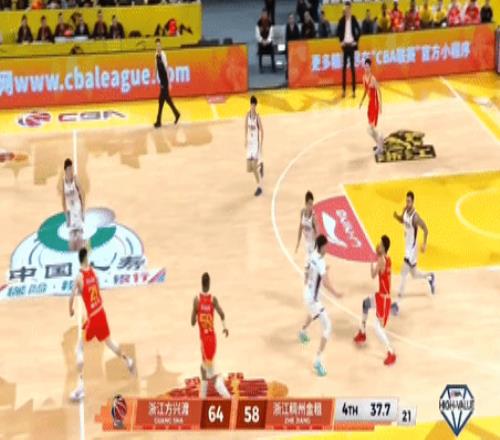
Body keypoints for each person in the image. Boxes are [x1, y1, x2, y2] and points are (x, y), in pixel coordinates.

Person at [69, 248, 135, 402]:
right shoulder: (93, 273)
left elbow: (72, 296)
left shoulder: (79, 277)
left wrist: (70, 310)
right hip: (101, 313)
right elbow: (95, 291)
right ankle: (128, 361)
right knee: (109, 342)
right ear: (86, 258)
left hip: (93, 317)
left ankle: (80, 388)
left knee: (79, 348)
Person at [298, 235, 342, 377]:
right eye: (326, 246)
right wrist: (336, 293)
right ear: (322, 246)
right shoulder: (321, 262)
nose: (327, 249)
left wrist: (308, 281)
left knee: (313, 313)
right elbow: (326, 283)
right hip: (313, 299)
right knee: (328, 326)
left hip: (307, 293)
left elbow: (307, 270)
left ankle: (302, 331)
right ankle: (317, 361)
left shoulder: (311, 255)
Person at [353, 235, 396, 366]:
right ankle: (362, 333)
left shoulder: (381, 260)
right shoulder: (388, 259)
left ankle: (391, 352)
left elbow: (373, 275)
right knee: (365, 304)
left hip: (383, 299)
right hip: (382, 295)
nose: (378, 245)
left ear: (384, 248)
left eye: (380, 244)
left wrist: (371, 263)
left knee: (378, 328)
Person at [391, 191, 436, 315]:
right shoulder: (405, 210)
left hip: (412, 250)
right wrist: (396, 217)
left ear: (413, 202)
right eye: (406, 201)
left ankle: (397, 303)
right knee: (414, 274)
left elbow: (425, 228)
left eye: (409, 201)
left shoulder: (416, 217)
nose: (407, 203)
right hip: (407, 248)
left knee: (403, 274)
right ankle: (430, 277)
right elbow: (402, 220)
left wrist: (424, 243)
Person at [191, 273, 231, 399]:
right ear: (209, 284)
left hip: (204, 341)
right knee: (203, 369)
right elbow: (222, 314)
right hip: (212, 339)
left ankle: (228, 398)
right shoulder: (213, 299)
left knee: (212, 375)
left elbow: (192, 322)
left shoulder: (196, 300)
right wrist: (225, 328)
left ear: (201, 283)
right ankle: (202, 398)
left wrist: (196, 313)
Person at [154, 39, 181, 128]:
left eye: (159, 45)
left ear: (161, 46)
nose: (158, 47)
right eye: (157, 46)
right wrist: (155, 75)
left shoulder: (163, 55)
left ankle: (159, 121)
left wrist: (168, 83)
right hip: (161, 80)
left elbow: (166, 69)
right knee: (165, 100)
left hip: (165, 80)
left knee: (161, 100)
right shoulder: (155, 54)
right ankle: (176, 114)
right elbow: (156, 66)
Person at [359, 58, 384, 156]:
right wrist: (361, 101)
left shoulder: (373, 79)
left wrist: (380, 106)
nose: (366, 69)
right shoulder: (363, 78)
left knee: (370, 128)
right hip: (370, 104)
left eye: (368, 67)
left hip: (375, 104)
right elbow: (365, 91)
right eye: (365, 67)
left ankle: (380, 144)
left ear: (370, 68)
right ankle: (380, 141)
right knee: (370, 129)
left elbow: (379, 91)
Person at [336, 2, 361, 98]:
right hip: (345, 46)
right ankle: (343, 90)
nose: (347, 11)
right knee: (344, 69)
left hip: (352, 46)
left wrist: (356, 41)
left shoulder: (353, 19)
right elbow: (338, 32)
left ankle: (354, 90)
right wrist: (341, 41)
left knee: (352, 69)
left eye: (349, 9)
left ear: (350, 10)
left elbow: (359, 31)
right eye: (346, 10)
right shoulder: (341, 20)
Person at [62, 159, 85, 251]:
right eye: (69, 169)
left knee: (79, 239)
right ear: (65, 170)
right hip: (70, 212)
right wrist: (66, 216)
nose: (71, 171)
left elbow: (82, 194)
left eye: (71, 169)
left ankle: (83, 254)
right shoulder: (63, 181)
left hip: (77, 209)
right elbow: (63, 200)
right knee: (71, 243)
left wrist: (83, 210)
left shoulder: (75, 179)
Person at [244, 96, 264, 197]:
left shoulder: (257, 117)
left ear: (255, 106)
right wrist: (245, 139)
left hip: (255, 145)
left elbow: (262, 131)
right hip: (250, 144)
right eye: (251, 105)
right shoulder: (247, 115)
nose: (252, 106)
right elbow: (245, 127)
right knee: (249, 169)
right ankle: (260, 166)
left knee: (254, 168)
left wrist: (261, 145)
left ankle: (259, 187)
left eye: (253, 105)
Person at [295, 191, 317, 266]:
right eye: (310, 204)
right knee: (309, 264)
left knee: (309, 264)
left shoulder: (313, 216)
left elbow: (317, 231)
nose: (311, 206)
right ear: (306, 203)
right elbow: (300, 227)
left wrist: (316, 244)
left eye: (312, 204)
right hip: (307, 242)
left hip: (312, 243)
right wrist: (298, 242)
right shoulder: (302, 212)